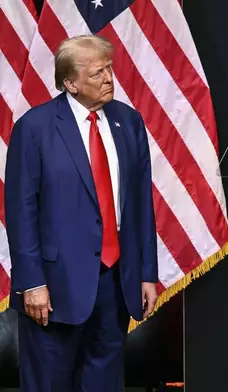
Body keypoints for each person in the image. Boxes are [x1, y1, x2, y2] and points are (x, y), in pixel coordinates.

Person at [4, 35, 158, 391]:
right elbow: (20, 210)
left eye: (109, 70)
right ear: (70, 83)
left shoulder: (129, 121)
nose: (108, 79)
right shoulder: (35, 128)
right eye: (96, 73)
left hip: (115, 282)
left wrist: (146, 272)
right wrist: (32, 283)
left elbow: (139, 202)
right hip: (54, 287)